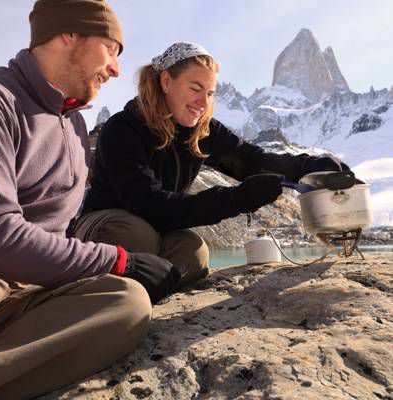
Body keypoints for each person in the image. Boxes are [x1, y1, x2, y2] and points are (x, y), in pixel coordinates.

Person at [0, 1, 182, 399]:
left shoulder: (76, 125)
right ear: (70, 35)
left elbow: (54, 232)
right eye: (112, 49)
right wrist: (118, 259)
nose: (117, 69)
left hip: (25, 282)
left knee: (125, 304)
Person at [75, 42, 348, 286]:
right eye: (195, 88)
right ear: (166, 81)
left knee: (194, 253)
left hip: (156, 227)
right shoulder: (124, 128)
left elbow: (251, 161)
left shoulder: (202, 131)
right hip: (105, 223)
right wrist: (236, 199)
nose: (203, 102)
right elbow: (147, 203)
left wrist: (309, 165)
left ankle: (148, 282)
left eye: (209, 93)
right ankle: (106, 279)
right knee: (137, 236)